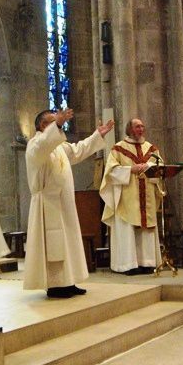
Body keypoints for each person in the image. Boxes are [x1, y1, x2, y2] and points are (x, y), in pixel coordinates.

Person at [24, 108, 114, 298]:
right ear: (42, 126)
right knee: (54, 245)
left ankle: (68, 281)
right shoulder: (34, 145)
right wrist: (57, 124)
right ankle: (56, 285)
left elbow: (78, 151)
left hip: (64, 203)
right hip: (47, 205)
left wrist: (97, 135)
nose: (59, 123)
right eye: (53, 121)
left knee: (68, 242)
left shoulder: (59, 147)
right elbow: (42, 146)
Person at [100, 118, 163, 275]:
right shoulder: (118, 149)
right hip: (127, 197)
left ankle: (147, 263)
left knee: (146, 230)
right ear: (129, 129)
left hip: (147, 195)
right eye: (137, 126)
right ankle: (128, 264)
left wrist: (150, 167)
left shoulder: (152, 149)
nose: (141, 129)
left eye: (142, 126)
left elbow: (161, 168)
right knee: (128, 230)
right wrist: (130, 170)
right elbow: (111, 172)